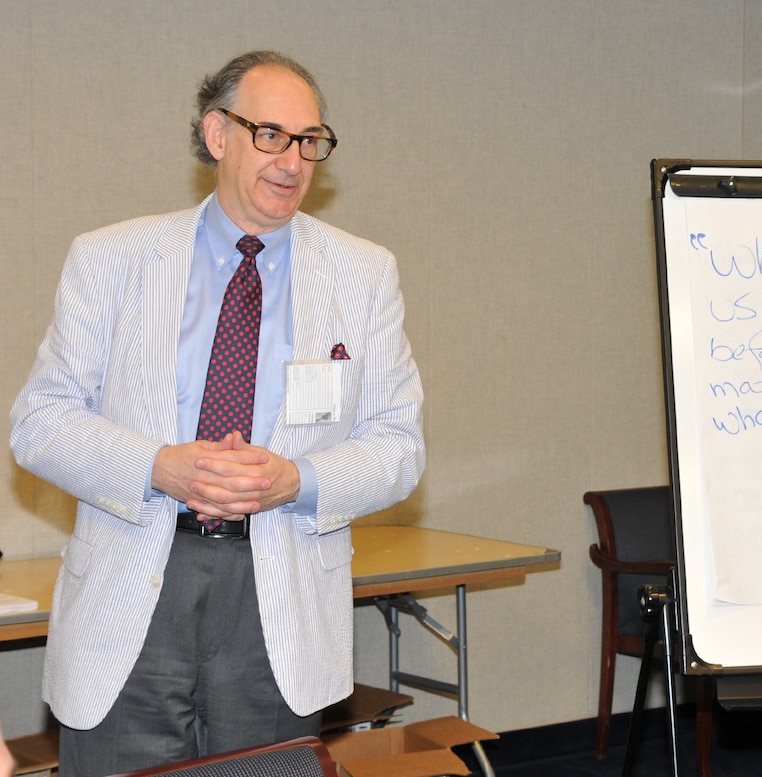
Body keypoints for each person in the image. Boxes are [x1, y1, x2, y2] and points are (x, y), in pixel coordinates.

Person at [9, 50, 425, 777]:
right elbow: (40, 421)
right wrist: (159, 465)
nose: (293, 161)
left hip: (279, 590)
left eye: (309, 141)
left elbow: (398, 444)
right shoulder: (112, 258)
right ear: (217, 134)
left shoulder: (362, 273)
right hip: (138, 573)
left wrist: (296, 478)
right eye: (270, 134)